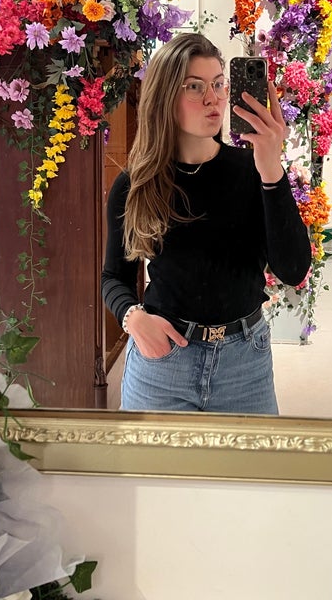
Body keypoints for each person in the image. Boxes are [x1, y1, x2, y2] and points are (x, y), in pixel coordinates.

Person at [101, 33, 311, 414]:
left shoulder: (253, 172)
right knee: (151, 458)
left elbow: (293, 269)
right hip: (162, 363)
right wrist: (133, 318)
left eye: (218, 84)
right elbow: (113, 277)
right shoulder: (136, 185)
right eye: (195, 87)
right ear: (165, 97)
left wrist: (272, 171)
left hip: (244, 365)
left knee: (254, 458)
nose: (213, 98)